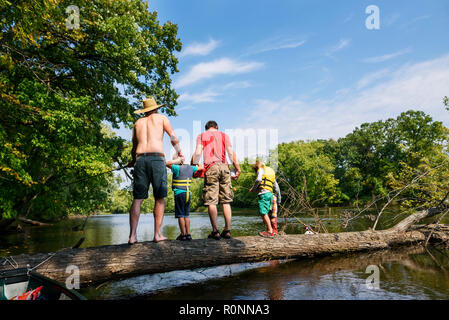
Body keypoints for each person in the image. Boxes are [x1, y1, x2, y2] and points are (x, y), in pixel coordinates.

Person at [127, 97, 183, 244]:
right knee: (159, 198)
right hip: (157, 159)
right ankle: (157, 234)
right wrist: (179, 151)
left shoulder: (137, 123)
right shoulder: (161, 118)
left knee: (137, 199)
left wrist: (133, 161)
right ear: (156, 108)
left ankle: (132, 236)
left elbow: (134, 146)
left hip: (140, 160)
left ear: (144, 110)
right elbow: (173, 137)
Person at [192, 120, 241, 240]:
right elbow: (230, 153)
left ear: (206, 128)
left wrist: (194, 164)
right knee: (226, 200)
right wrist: (237, 168)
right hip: (224, 167)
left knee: (211, 201)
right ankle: (227, 230)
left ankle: (215, 231)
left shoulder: (202, 136)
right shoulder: (224, 135)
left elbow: (198, 152)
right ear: (217, 127)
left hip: (211, 167)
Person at [166, 155, 203, 241]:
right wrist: (196, 162)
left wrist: (176, 161)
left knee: (180, 215)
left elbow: (167, 163)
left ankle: (183, 235)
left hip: (179, 194)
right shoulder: (191, 168)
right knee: (186, 215)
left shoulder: (176, 168)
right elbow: (201, 167)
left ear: (178, 161)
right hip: (188, 194)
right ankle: (188, 234)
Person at [250, 160, 281, 237]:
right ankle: (272, 230)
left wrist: (253, 188)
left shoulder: (261, 169)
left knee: (263, 213)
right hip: (270, 194)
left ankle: (269, 231)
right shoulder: (270, 172)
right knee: (269, 213)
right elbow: (277, 188)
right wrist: (279, 199)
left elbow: (259, 179)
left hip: (263, 194)